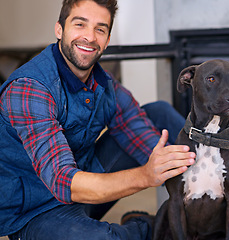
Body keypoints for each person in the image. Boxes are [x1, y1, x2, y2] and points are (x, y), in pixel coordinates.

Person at [0, 0, 196, 239]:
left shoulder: (104, 84)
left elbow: (138, 130)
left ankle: (221, 187)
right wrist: (147, 175)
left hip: (86, 191)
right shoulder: (30, 89)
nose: (90, 37)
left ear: (107, 40)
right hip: (33, 213)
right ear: (59, 29)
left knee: (158, 112)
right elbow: (63, 181)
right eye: (80, 24)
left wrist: (192, 169)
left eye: (100, 29)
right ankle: (155, 227)